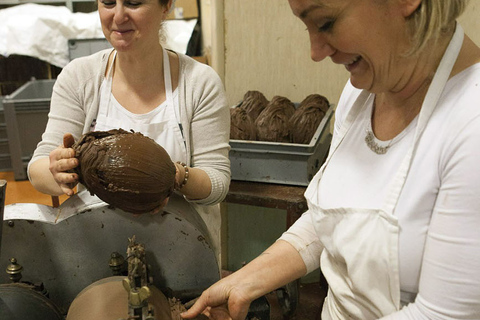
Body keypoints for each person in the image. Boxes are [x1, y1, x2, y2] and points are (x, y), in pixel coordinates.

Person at [181, 0, 480, 319]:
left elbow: (445, 314)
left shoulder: (470, 124)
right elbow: (333, 216)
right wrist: (248, 279)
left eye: (325, 23)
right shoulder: (364, 91)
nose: (316, 51)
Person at [27, 0, 230, 265]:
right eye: (108, 2)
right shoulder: (79, 78)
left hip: (184, 255)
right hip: (97, 251)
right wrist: (58, 170)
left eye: (134, 3)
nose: (118, 16)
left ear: (166, 5)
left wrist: (174, 176)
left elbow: (218, 184)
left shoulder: (199, 84)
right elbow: (37, 169)